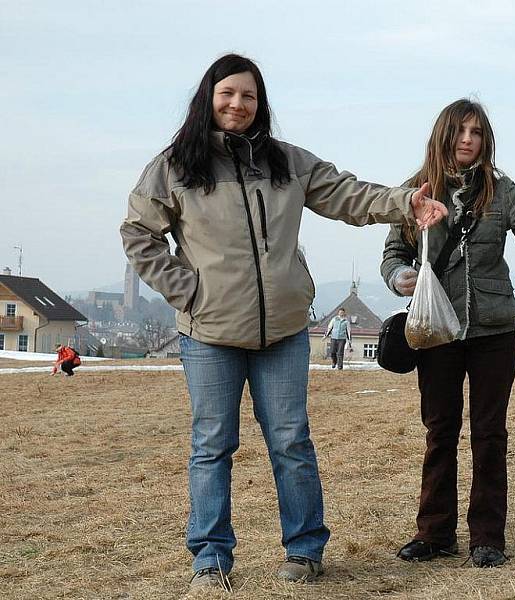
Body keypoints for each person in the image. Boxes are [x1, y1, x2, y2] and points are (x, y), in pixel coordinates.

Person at [119, 54, 447, 590]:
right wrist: (190, 290)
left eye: (248, 96)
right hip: (209, 333)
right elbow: (139, 235)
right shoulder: (175, 166)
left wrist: (404, 203)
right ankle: (210, 557)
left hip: (285, 331)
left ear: (259, 103)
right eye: (228, 94)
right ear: (209, 97)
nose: (237, 104)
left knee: (291, 441)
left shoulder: (286, 162)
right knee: (212, 444)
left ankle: (305, 549)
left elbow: (347, 194)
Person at [380, 99, 515, 568]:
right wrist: (399, 278)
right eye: (460, 131)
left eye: (477, 131)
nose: (468, 139)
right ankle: (434, 533)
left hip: (494, 331)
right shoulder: (415, 192)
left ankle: (488, 536)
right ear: (444, 135)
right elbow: (392, 254)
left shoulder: (501, 191)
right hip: (436, 330)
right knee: (440, 431)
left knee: (489, 433)